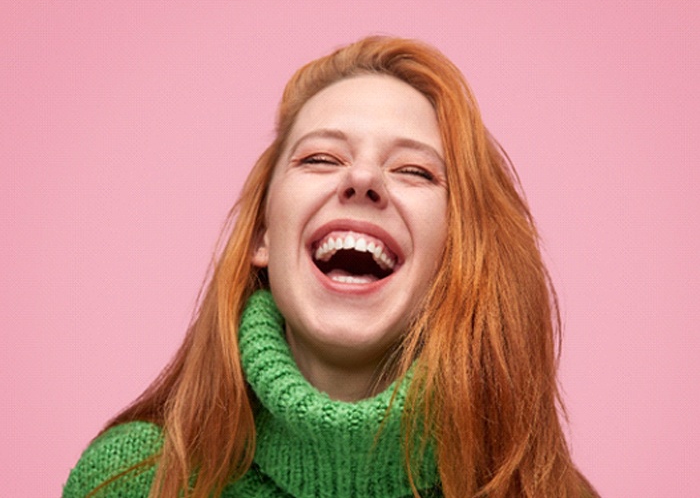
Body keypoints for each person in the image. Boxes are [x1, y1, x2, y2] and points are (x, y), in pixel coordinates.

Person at [63, 36, 598, 497]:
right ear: (262, 236)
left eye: (414, 170)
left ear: (457, 252)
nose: (362, 178)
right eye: (321, 158)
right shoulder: (135, 480)